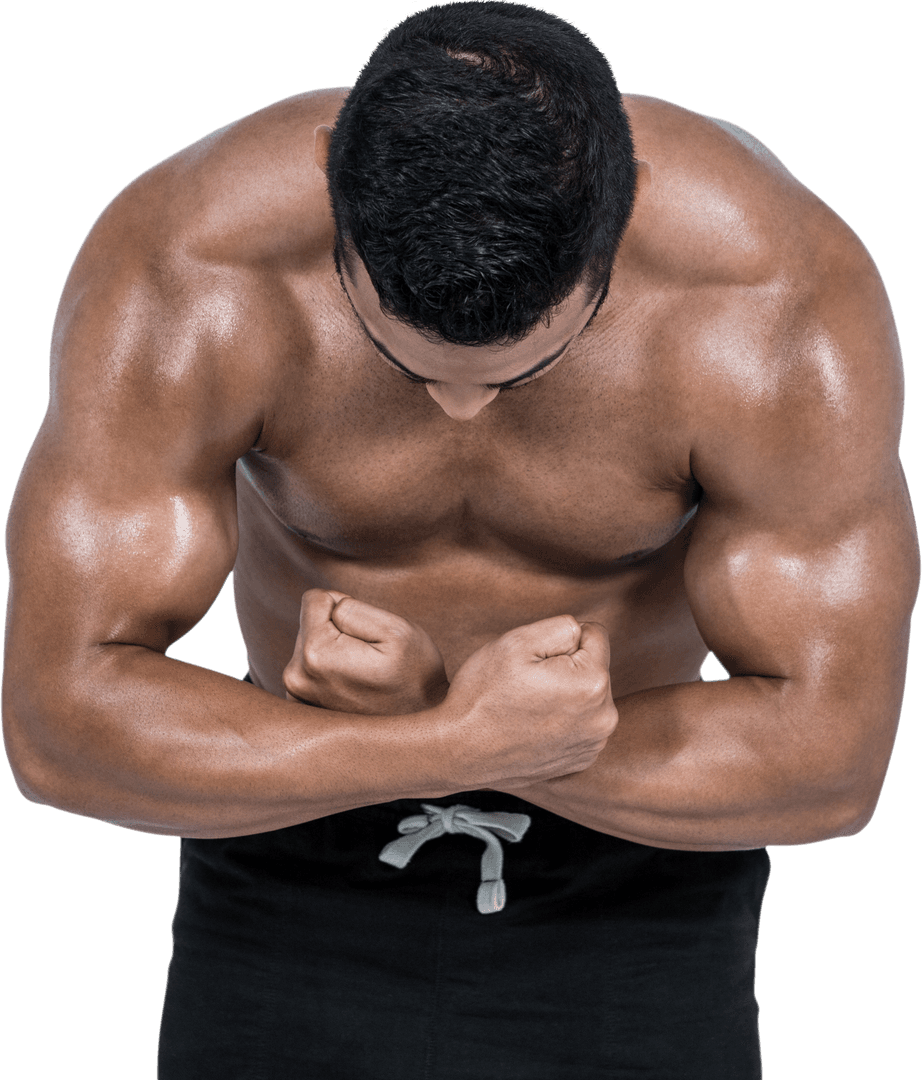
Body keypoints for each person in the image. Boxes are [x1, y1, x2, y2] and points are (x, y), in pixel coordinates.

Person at [2, 1, 917, 1076]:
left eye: (519, 371)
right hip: (287, 835)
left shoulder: (771, 298)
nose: (463, 410)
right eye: (406, 365)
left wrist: (436, 725)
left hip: (647, 860)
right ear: (335, 225)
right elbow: (56, 725)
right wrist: (441, 743)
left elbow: (830, 766)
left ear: (605, 252)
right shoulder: (193, 267)